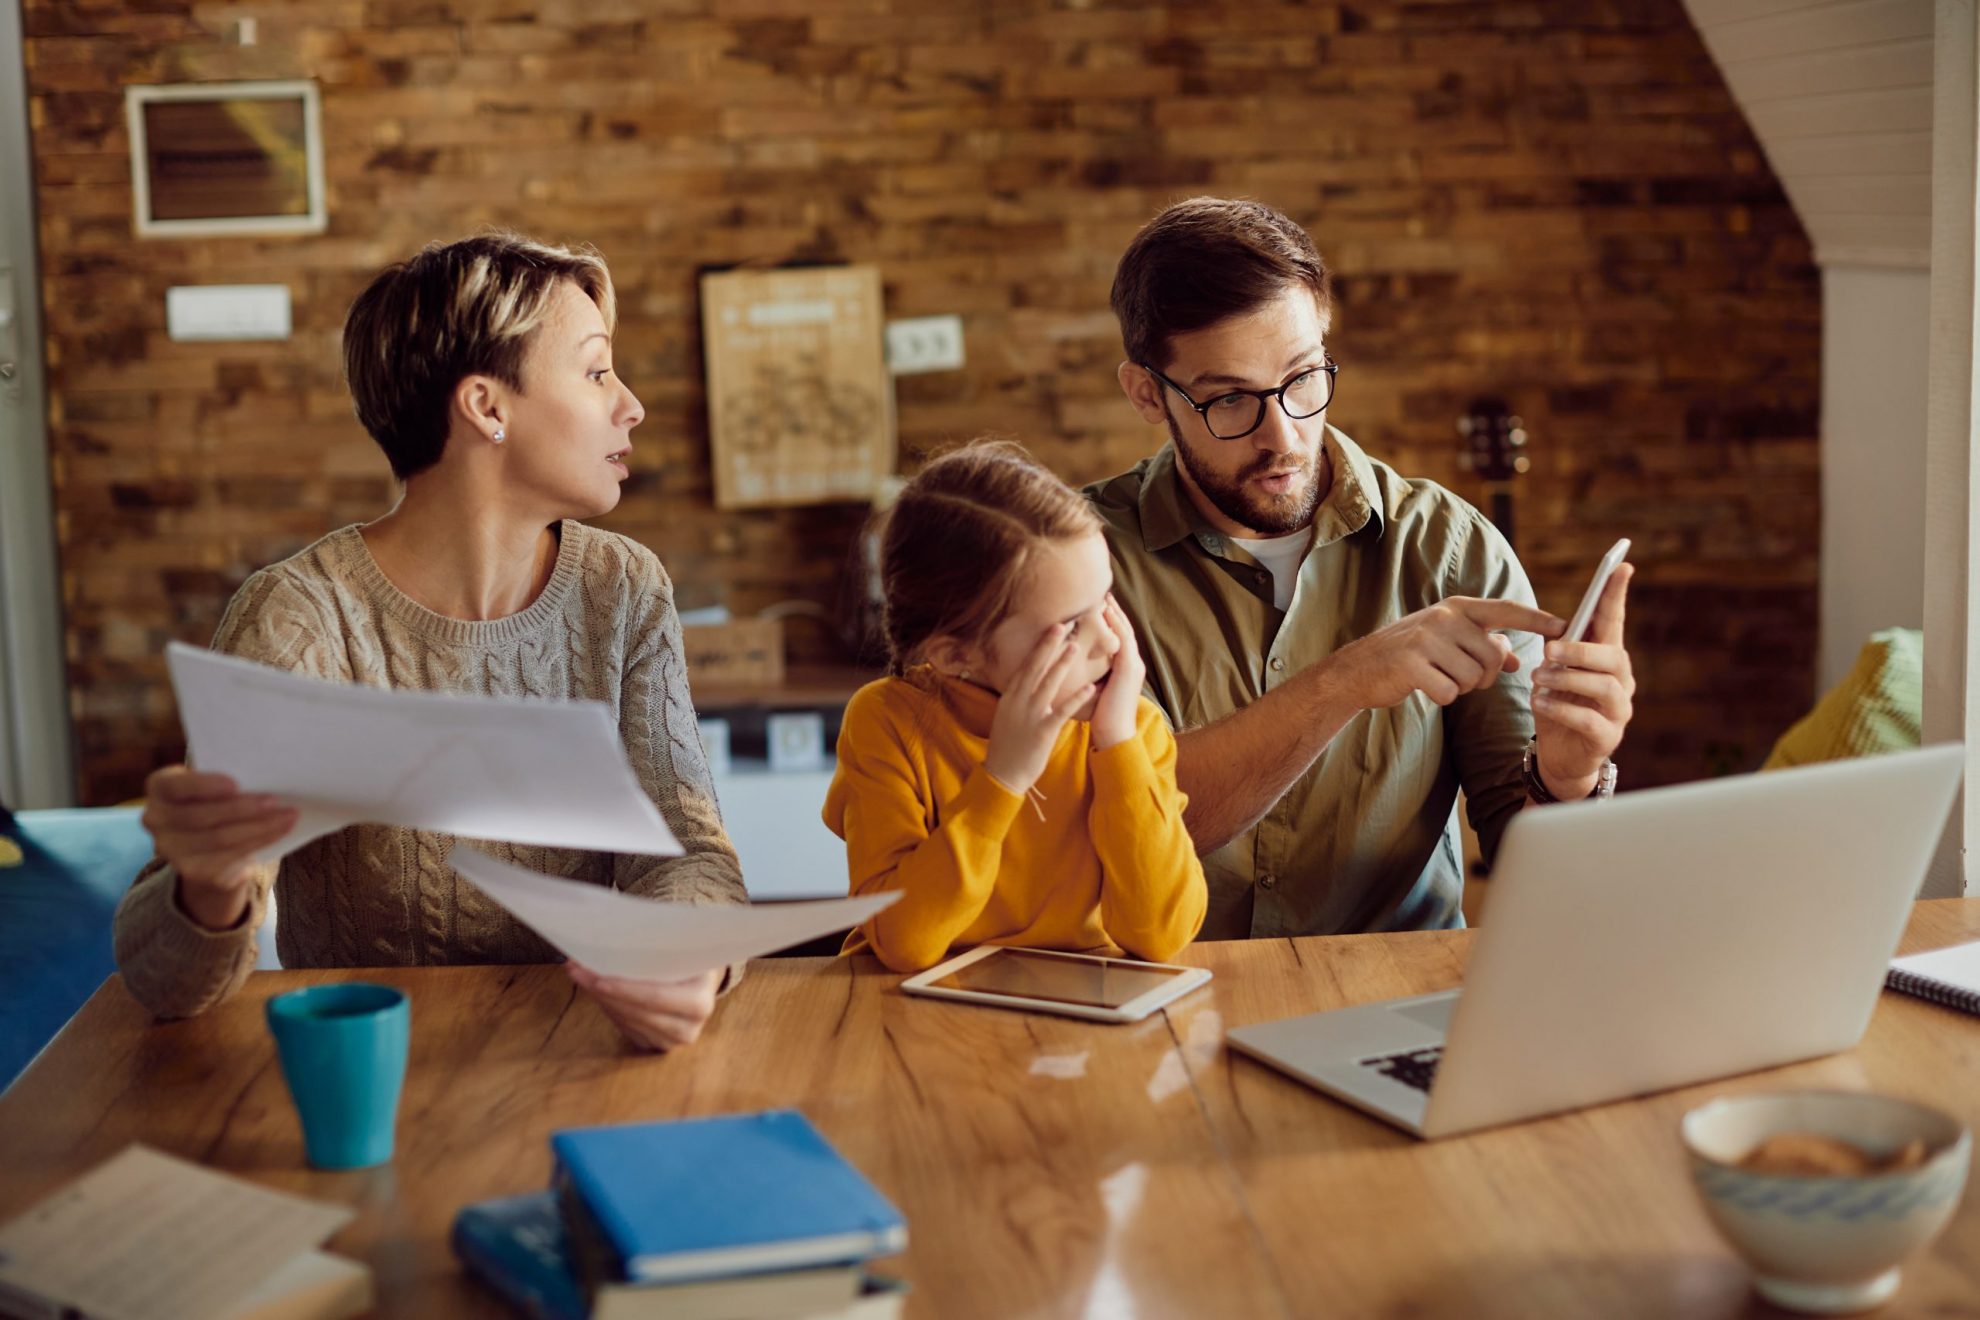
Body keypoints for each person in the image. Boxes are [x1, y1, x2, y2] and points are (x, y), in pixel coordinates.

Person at [114, 234, 745, 1050]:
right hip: (363, 1077)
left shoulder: (623, 588)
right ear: (487, 407)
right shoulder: (300, 617)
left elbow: (689, 853)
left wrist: (684, 959)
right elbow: (164, 984)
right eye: (595, 372)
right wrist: (208, 884)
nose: (631, 406)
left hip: (584, 1054)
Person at [1087, 197, 1636, 938]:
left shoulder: (1453, 550)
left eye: (1303, 377)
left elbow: (1535, 868)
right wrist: (1345, 682)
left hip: (1390, 1001)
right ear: (1147, 393)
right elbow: (1128, 829)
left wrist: (1568, 778)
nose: (1282, 435)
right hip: (1164, 1001)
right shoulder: (1080, 567)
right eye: (1228, 400)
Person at [824, 442, 1207, 973]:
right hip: (913, 1014)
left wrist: (1117, 745)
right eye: (1071, 627)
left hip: (1081, 1021)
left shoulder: (1128, 726)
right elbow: (904, 943)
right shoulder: (886, 723)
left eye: (1106, 605)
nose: (1112, 644)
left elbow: (1161, 936)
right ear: (958, 655)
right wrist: (1003, 776)